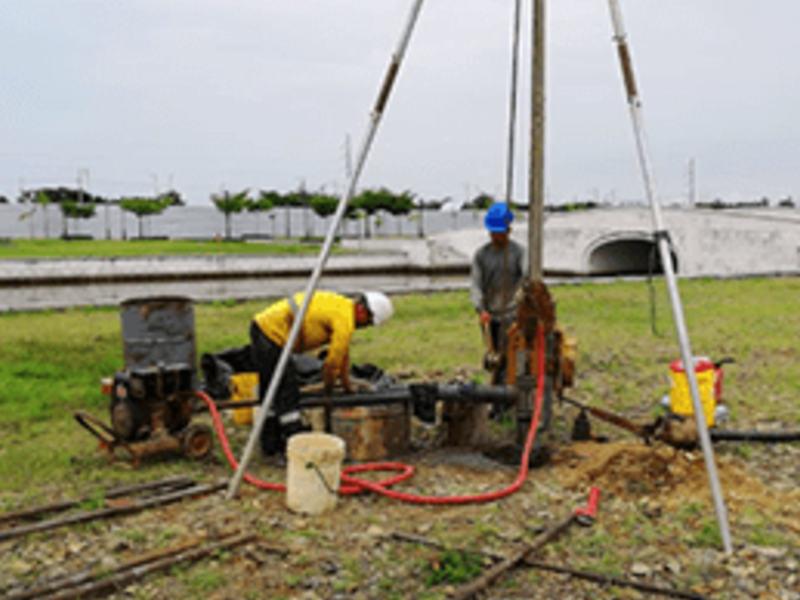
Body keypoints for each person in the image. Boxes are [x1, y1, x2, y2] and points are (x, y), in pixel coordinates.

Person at [250, 290, 393, 455]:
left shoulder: (343, 307)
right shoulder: (345, 320)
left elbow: (343, 355)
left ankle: (270, 445)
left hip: (263, 328)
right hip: (270, 334)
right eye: (368, 322)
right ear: (362, 311)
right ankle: (295, 442)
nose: (365, 326)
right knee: (286, 391)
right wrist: (329, 387)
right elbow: (332, 364)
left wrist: (347, 383)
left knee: (271, 391)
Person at [470, 202, 527, 384]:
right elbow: (475, 283)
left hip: (513, 314)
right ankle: (497, 387)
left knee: (512, 353)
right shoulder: (481, 255)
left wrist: (519, 302)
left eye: (500, 232)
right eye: (493, 232)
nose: (496, 236)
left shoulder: (519, 253)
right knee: (494, 355)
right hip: (490, 314)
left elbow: (526, 278)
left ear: (509, 230)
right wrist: (480, 307)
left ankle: (512, 388)